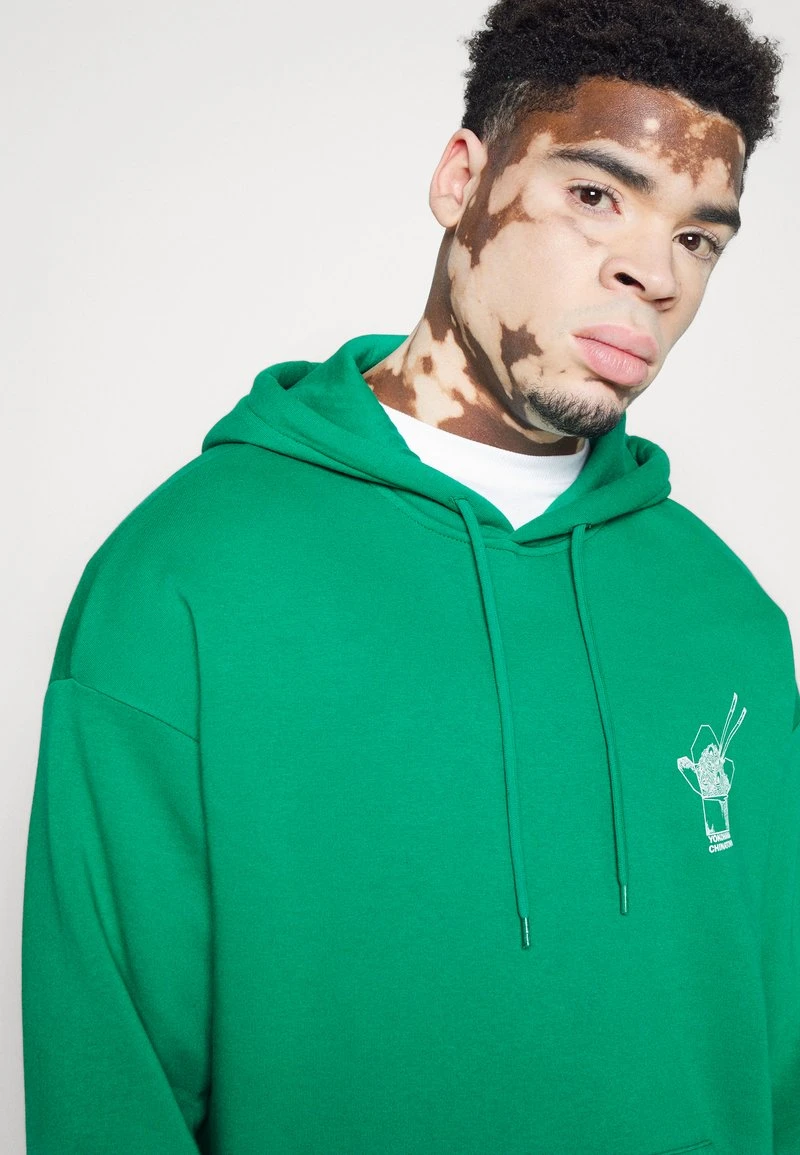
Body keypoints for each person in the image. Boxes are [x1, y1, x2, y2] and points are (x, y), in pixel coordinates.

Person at [22, 0, 797, 1151]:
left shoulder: (729, 620)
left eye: (697, 239)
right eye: (595, 195)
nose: (650, 272)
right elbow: (109, 1081)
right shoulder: (186, 579)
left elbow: (775, 1060)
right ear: (461, 181)